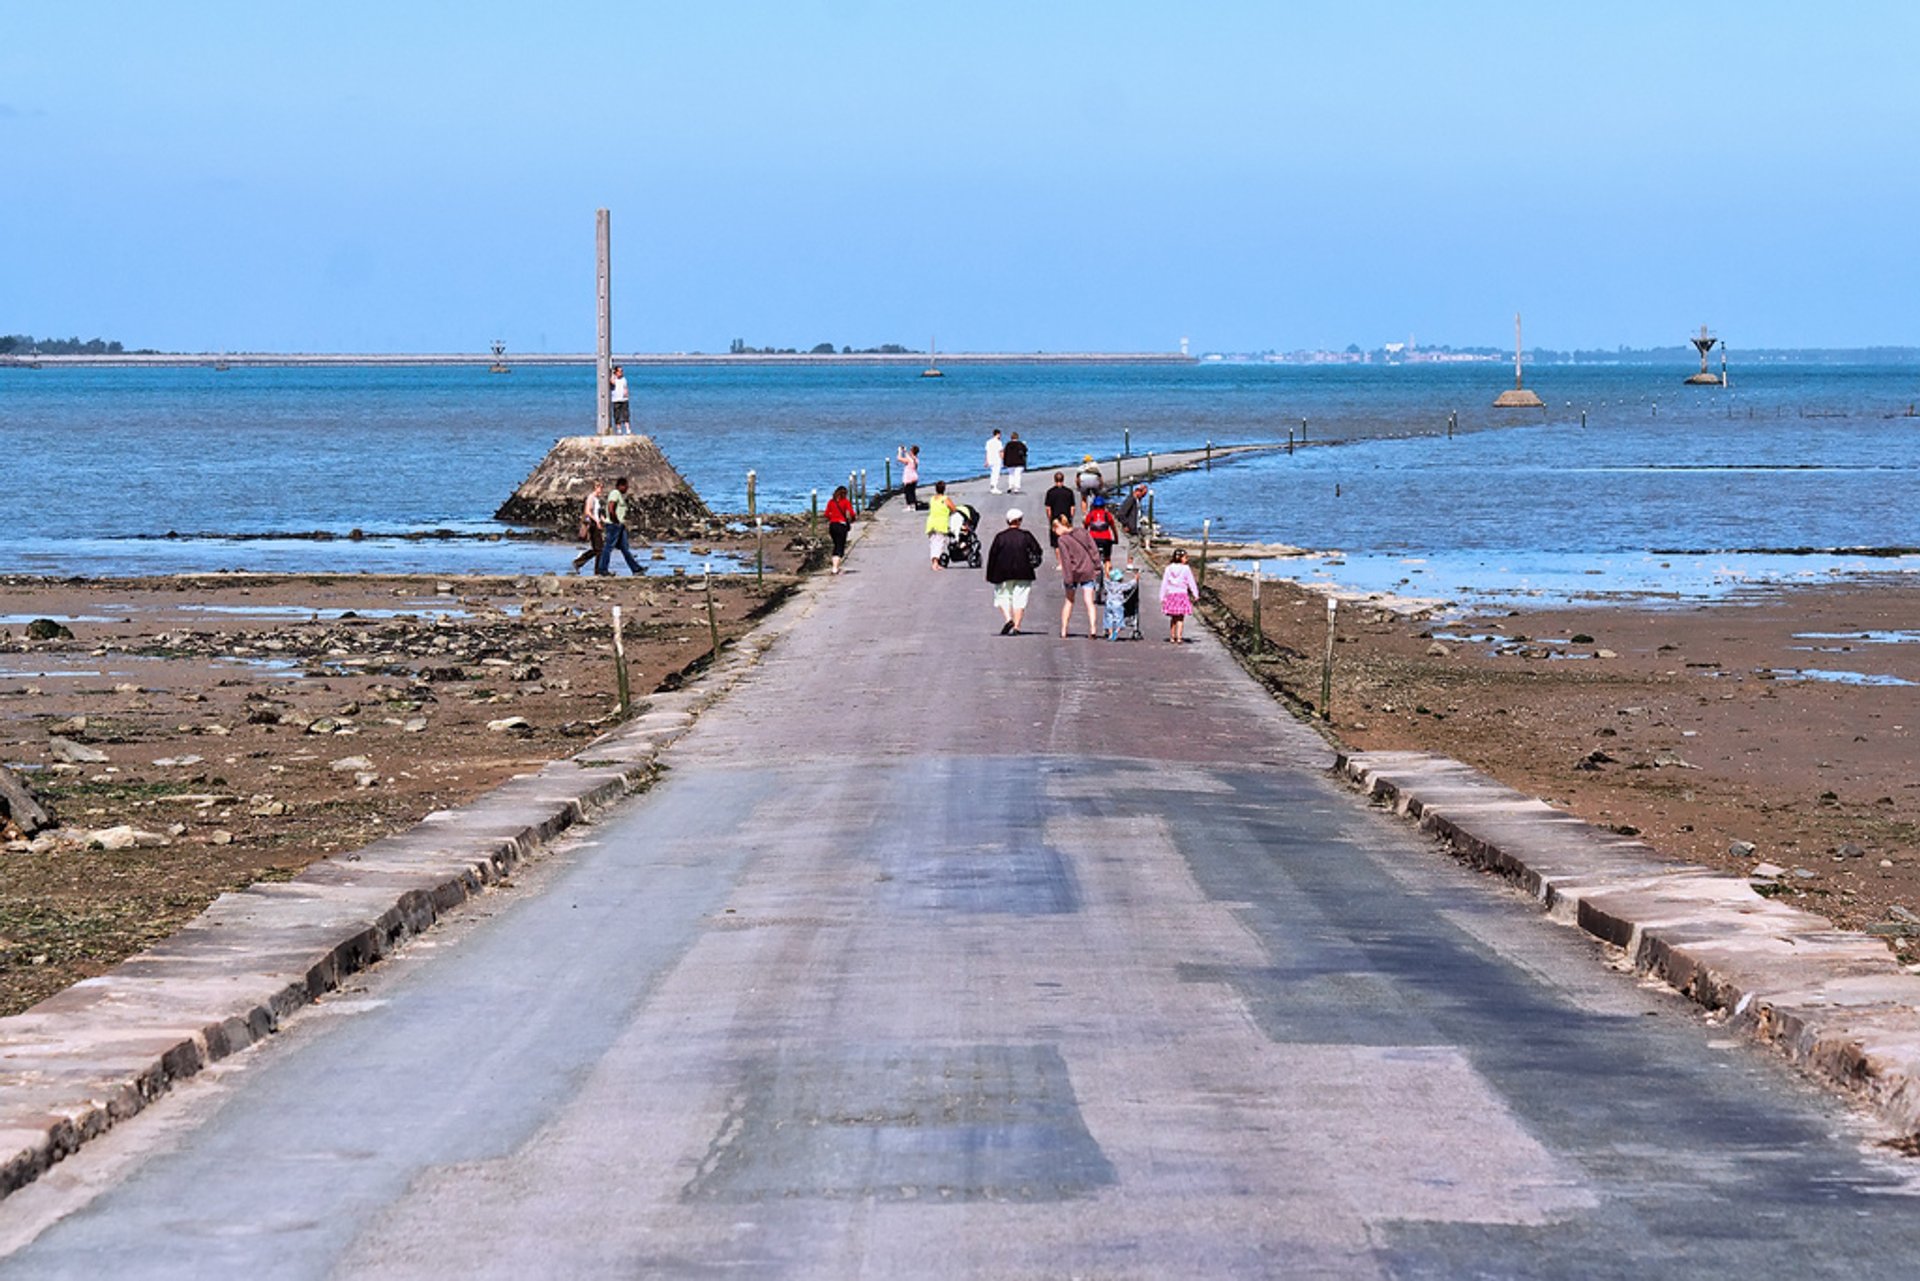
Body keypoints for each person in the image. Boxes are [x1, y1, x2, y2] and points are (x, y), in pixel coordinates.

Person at [985, 508, 1044, 635]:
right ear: (1020, 521)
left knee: (1002, 597)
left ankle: (1008, 619)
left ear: (1007, 521)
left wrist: (990, 575)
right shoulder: (1026, 536)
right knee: (1020, 599)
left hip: (1002, 572)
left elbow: (992, 556)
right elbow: (1038, 551)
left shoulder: (1000, 537)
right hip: (1024, 571)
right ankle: (1017, 626)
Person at [1054, 514, 1102, 639]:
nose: (1055, 532)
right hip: (1088, 570)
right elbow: (1093, 550)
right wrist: (1097, 566)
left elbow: (1066, 561)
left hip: (1073, 573)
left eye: (1055, 528)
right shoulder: (1083, 532)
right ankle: (1093, 629)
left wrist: (1068, 579)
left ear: (1060, 526)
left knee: (1069, 601)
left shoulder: (1062, 540)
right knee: (1089, 602)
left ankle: (1064, 629)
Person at [596, 476, 646, 575]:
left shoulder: (618, 495)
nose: (627, 489)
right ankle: (602, 569)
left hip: (620, 525)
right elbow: (611, 507)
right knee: (608, 547)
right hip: (614, 525)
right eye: (626, 486)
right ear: (621, 486)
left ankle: (636, 569)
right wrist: (615, 521)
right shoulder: (615, 493)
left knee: (624, 548)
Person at [1159, 548, 1199, 644]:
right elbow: (1191, 582)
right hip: (1182, 595)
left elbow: (1165, 583)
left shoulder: (1168, 568)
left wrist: (1162, 596)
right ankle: (1179, 637)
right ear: (1180, 558)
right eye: (1185, 557)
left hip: (1171, 595)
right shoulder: (1186, 569)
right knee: (1180, 618)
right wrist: (1195, 593)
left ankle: (1172, 637)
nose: (1187, 559)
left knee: (1173, 618)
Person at [571, 480, 607, 574]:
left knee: (597, 549)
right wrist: (596, 521)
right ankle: (598, 570)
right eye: (600, 488)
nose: (601, 490)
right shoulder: (591, 498)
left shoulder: (596, 499)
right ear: (596, 487)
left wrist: (605, 521)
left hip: (596, 523)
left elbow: (598, 513)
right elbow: (587, 512)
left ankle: (579, 563)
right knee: (600, 549)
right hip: (592, 524)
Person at [925, 481, 959, 570]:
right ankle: (935, 563)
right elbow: (954, 509)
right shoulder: (945, 499)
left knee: (933, 543)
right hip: (940, 523)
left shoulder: (932, 499)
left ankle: (934, 562)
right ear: (944, 489)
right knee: (939, 543)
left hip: (931, 523)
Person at [824, 484, 856, 575]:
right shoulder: (845, 502)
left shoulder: (831, 502)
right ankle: (835, 568)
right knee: (840, 546)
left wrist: (832, 517)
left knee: (836, 545)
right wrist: (852, 520)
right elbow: (852, 514)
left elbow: (826, 514)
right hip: (841, 526)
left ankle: (835, 566)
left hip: (832, 525)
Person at [1043, 472, 1077, 553]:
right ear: (1063, 479)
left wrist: (1050, 519)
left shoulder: (1050, 492)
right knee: (1068, 540)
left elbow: (1048, 508)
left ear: (1055, 480)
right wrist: (1071, 518)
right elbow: (1072, 507)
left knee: (1056, 543)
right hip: (1066, 518)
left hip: (1055, 519)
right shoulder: (1069, 492)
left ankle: (1060, 562)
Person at [1103, 564, 1137, 641]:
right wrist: (1135, 578)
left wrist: (1107, 569)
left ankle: (1110, 633)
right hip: (1117, 604)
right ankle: (1116, 632)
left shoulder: (1108, 585)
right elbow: (1130, 585)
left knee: (1109, 618)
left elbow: (1105, 578)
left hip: (1109, 603)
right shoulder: (1121, 586)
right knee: (1119, 619)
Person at [1084, 495, 1118, 565]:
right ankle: (1107, 573)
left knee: (1091, 557)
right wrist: (1116, 539)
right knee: (1107, 558)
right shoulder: (1107, 514)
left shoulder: (1090, 515)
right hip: (1106, 539)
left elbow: (1085, 528)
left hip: (1093, 539)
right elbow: (1113, 528)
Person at [609, 365, 631, 434]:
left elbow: (625, 387)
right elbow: (612, 382)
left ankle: (628, 429)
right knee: (617, 415)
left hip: (624, 399)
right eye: (619, 371)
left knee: (626, 415)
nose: (621, 372)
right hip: (616, 399)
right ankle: (619, 429)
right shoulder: (614, 378)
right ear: (616, 372)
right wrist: (613, 373)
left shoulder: (624, 379)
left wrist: (627, 393)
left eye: (622, 371)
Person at [986, 429, 1005, 494]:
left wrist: (986, 461)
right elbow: (1001, 452)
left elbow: (987, 452)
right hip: (997, 460)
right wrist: (1003, 459)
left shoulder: (988, 442)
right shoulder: (998, 442)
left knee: (992, 473)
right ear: (998, 434)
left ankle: (992, 486)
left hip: (990, 459)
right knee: (996, 474)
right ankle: (994, 487)